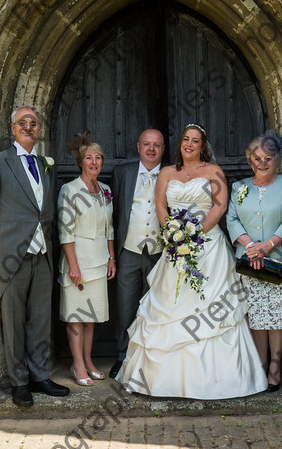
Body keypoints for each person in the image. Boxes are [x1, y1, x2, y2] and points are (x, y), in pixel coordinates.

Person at [116, 123, 267, 399]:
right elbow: (161, 205)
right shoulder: (166, 172)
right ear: (180, 144)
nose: (189, 144)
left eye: (195, 141)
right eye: (186, 139)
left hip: (208, 248)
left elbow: (219, 206)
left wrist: (196, 233)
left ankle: (217, 380)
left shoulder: (213, 172)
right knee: (168, 308)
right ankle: (162, 380)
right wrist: (173, 236)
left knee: (210, 310)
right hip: (175, 247)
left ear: (202, 146)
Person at [0, 105, 70, 406]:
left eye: (34, 123)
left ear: (39, 130)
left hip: (43, 255)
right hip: (11, 257)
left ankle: (40, 376)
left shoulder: (43, 163)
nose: (28, 127)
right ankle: (19, 382)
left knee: (39, 320)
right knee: (12, 322)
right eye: (22, 123)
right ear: (12, 128)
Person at [226, 129, 282, 392]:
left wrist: (268, 246)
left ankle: (275, 367)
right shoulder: (239, 187)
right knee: (257, 316)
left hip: (280, 260)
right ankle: (260, 363)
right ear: (250, 160)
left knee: (277, 318)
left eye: (268, 157)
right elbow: (232, 218)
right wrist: (251, 247)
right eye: (257, 157)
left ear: (277, 159)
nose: (263, 162)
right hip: (249, 260)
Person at [57, 132, 116, 386]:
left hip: (99, 261)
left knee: (91, 316)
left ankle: (89, 360)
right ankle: (77, 364)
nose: (94, 162)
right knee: (76, 316)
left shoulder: (105, 190)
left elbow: (109, 229)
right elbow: (65, 230)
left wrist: (111, 258)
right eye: (89, 158)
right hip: (78, 260)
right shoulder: (69, 189)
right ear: (81, 161)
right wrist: (73, 265)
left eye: (98, 157)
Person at [109, 129, 165, 378]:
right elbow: (115, 212)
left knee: (155, 307)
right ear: (138, 147)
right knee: (125, 306)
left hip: (160, 252)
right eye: (146, 145)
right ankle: (122, 357)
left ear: (163, 148)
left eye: (156, 145)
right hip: (129, 250)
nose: (151, 149)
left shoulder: (170, 174)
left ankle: (151, 359)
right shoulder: (123, 172)